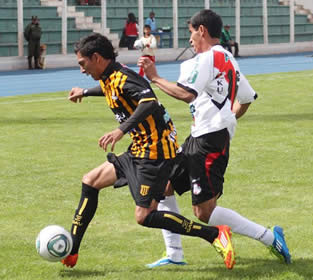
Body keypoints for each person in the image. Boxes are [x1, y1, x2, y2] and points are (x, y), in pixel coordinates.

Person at [61, 32, 236, 270]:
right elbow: (110, 90)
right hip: (140, 148)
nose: (81, 69)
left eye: (83, 64)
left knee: (144, 216)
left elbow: (149, 101)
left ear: (96, 58)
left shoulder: (123, 76)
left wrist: (121, 130)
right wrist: (85, 92)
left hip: (155, 152)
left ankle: (215, 234)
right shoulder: (109, 75)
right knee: (90, 181)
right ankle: (72, 250)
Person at [138, 9, 291, 268]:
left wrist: (154, 77)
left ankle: (269, 237)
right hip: (201, 137)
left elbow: (186, 94)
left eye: (190, 34)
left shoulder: (207, 58)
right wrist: (228, 120)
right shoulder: (229, 58)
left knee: (204, 212)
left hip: (209, 141)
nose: (189, 41)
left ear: (202, 31)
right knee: (164, 185)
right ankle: (174, 254)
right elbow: (247, 98)